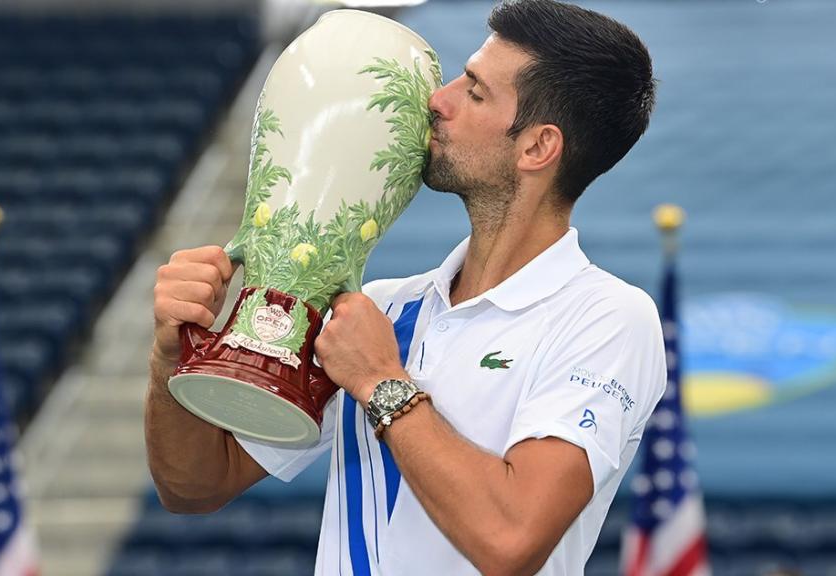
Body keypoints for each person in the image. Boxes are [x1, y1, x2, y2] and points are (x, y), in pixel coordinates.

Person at [146, 1, 663, 574]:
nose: (436, 101)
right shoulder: (384, 308)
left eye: (473, 92)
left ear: (537, 147)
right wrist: (173, 354)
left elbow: (511, 538)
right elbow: (193, 487)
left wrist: (381, 382)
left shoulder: (609, 317)